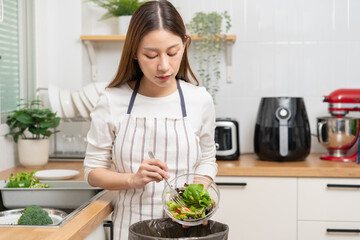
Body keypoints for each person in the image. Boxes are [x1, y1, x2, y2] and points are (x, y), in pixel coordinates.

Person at [84, 1, 217, 239]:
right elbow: (92, 172)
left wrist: (192, 198)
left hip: (188, 230)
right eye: (151, 55)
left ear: (185, 45)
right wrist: (132, 179)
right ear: (134, 52)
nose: (164, 65)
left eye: (172, 52)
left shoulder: (200, 99)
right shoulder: (112, 100)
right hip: (131, 229)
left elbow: (207, 159)